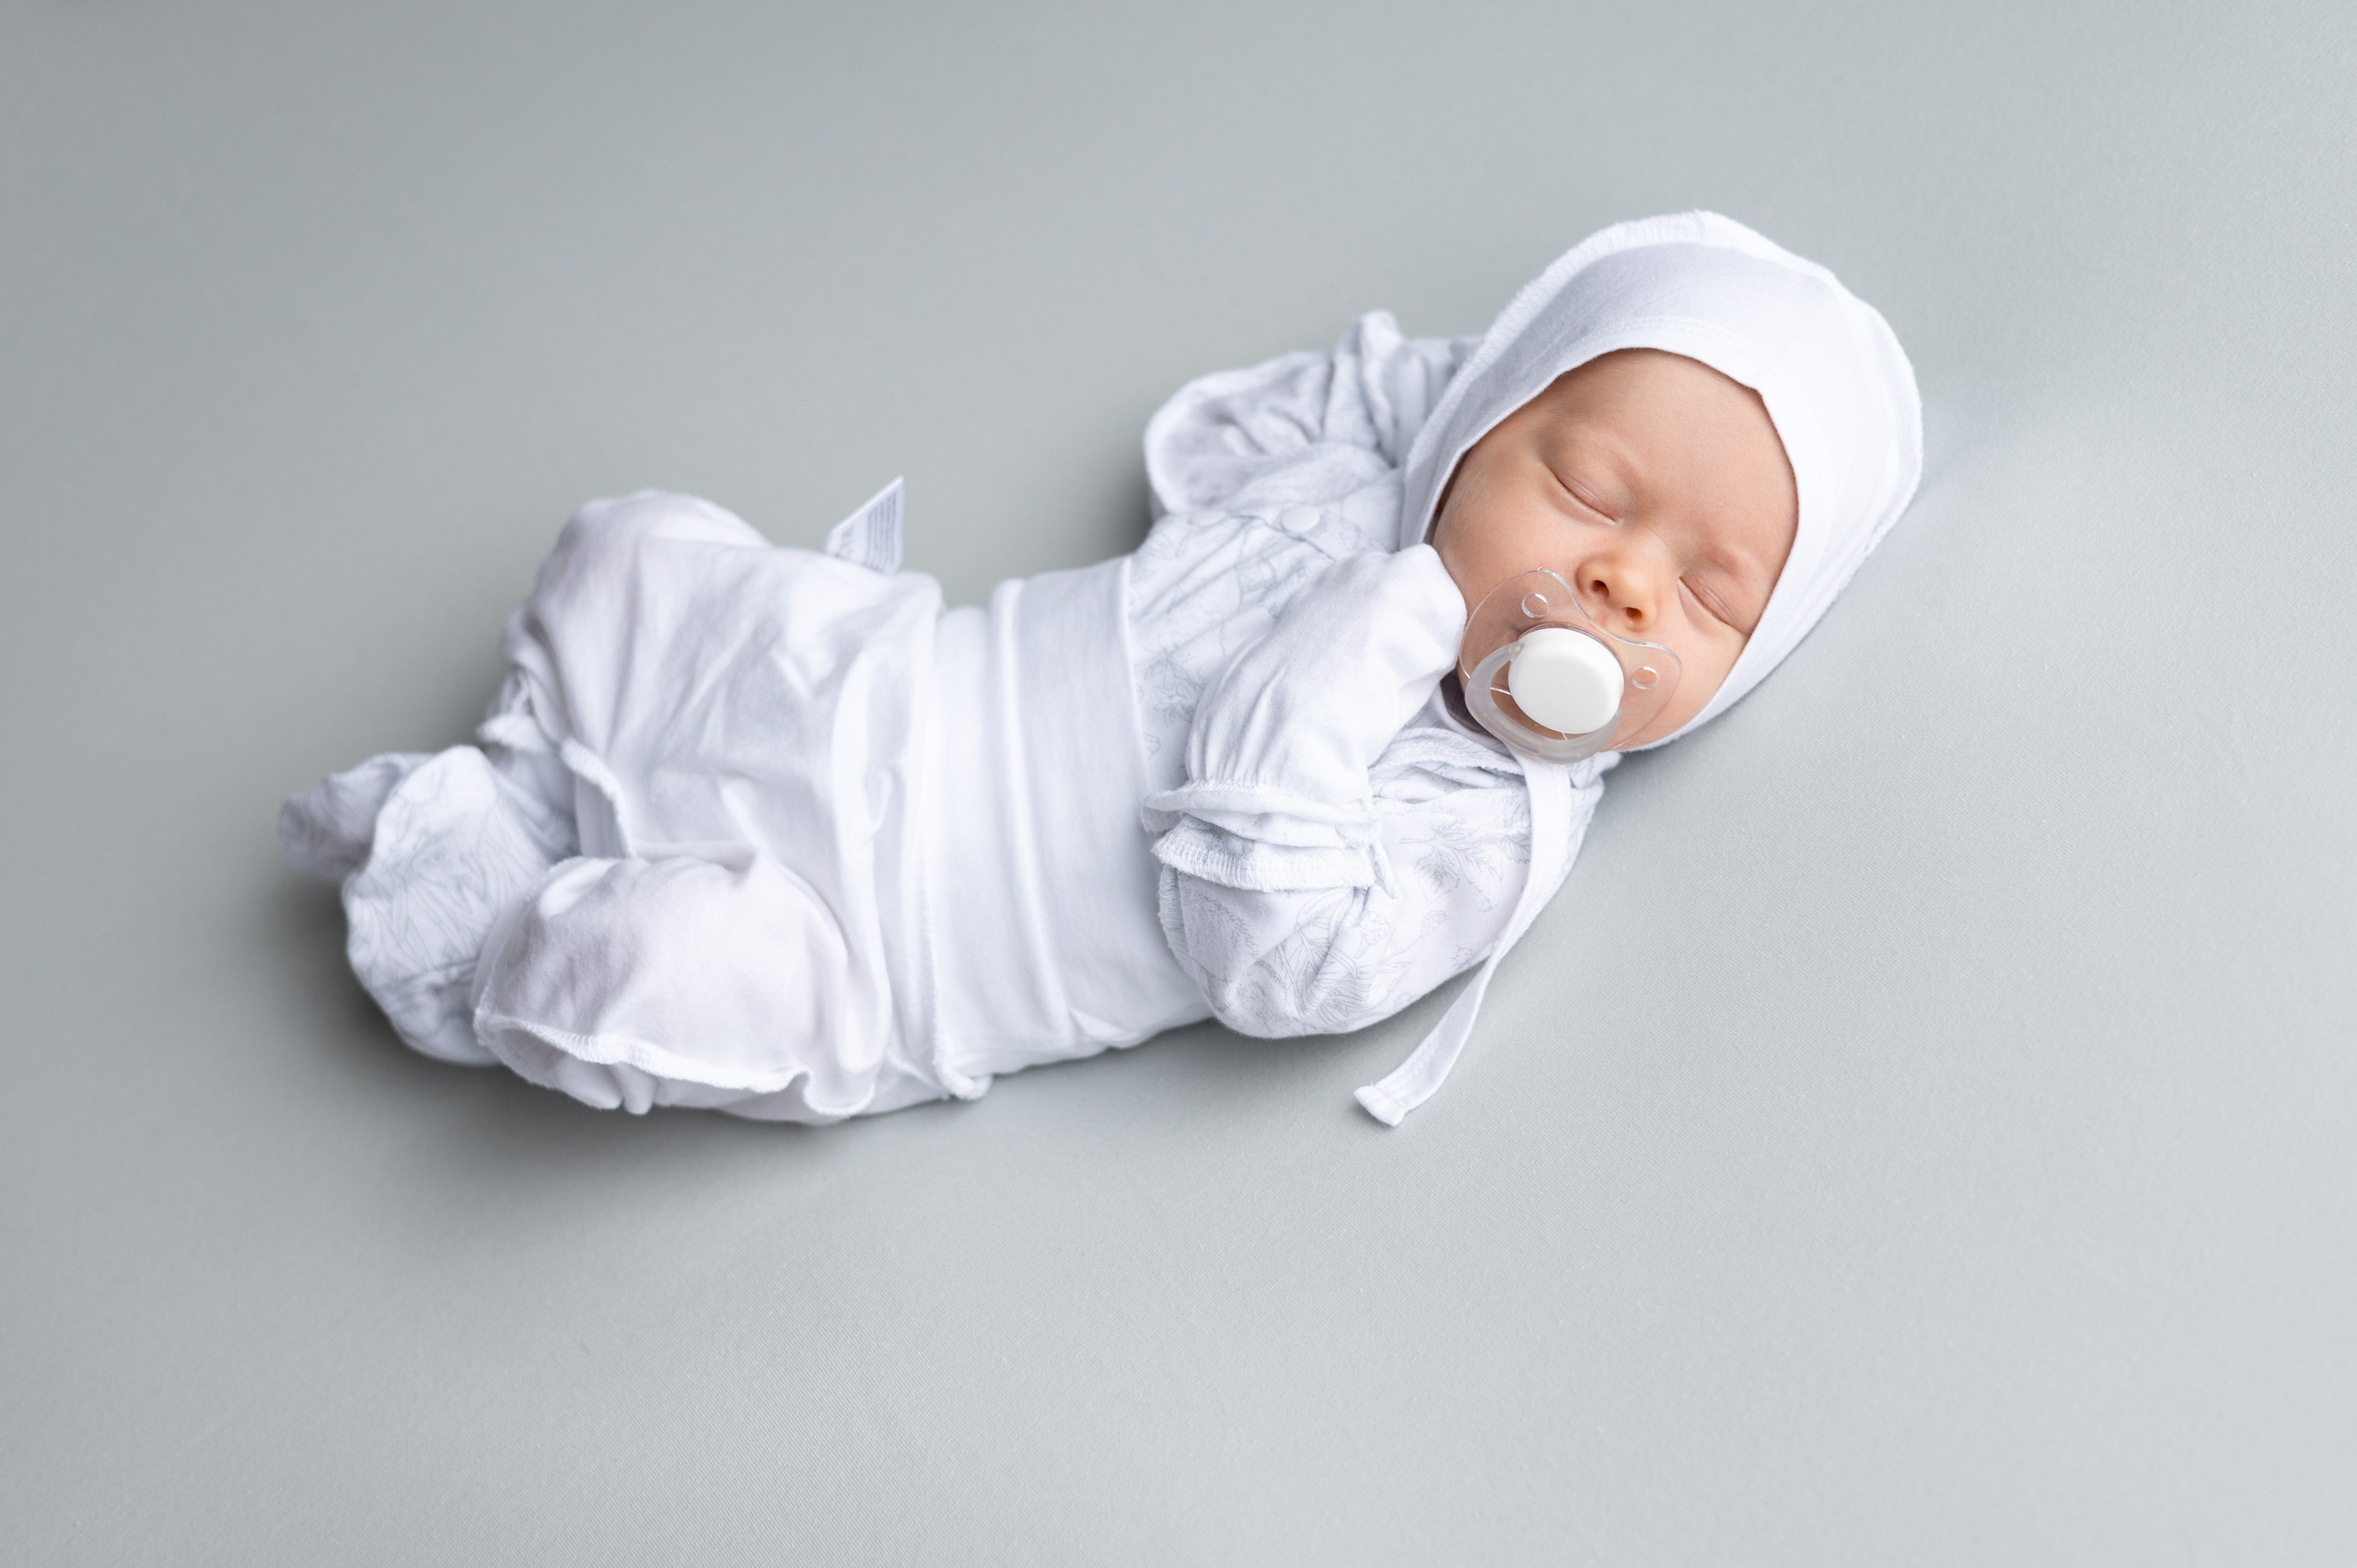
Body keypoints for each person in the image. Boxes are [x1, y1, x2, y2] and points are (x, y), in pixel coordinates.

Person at [281, 210, 1922, 1126]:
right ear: (1474, 432)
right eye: (1585, 489)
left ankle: (486, 943)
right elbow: (1209, 443)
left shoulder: (1485, 821)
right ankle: (519, 778)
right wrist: (1424, 469)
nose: (1624, 584)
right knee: (631, 548)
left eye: (1708, 599)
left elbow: (1269, 976)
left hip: (887, 956)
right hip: (871, 681)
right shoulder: (1357, 498)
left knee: (650, 976)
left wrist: (1311, 711)